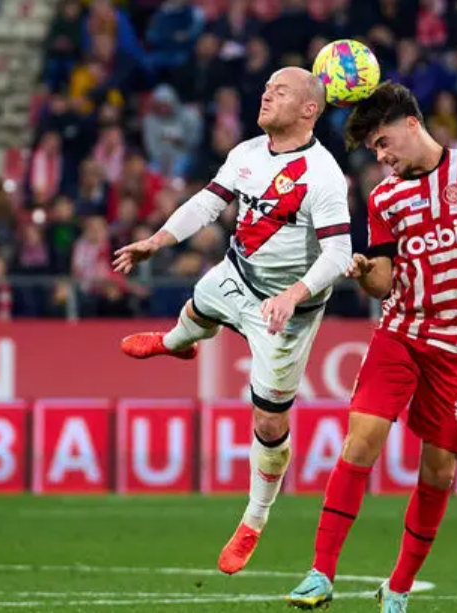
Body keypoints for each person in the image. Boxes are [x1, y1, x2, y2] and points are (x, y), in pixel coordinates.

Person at [285, 82, 457, 612]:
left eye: (385, 143)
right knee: (360, 443)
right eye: (374, 152)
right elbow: (384, 281)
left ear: (413, 124)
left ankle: (399, 588)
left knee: (439, 472)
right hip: (402, 335)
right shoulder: (385, 198)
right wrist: (366, 271)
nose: (383, 158)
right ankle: (321, 573)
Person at [112, 66, 352, 575]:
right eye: (266, 87)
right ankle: (176, 342)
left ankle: (253, 519)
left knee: (268, 420)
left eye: (279, 91)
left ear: (310, 109)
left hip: (286, 309)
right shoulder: (245, 153)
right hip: (237, 274)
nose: (266, 94)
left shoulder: (324, 175)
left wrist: (296, 292)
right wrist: (157, 241)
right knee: (196, 311)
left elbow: (339, 252)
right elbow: (207, 203)